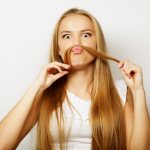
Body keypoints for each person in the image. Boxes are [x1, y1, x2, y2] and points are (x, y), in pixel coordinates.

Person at [0, 8, 149, 150]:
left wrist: (138, 91)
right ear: (58, 48)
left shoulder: (119, 90)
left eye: (86, 35)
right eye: (67, 36)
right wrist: (36, 87)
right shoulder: (44, 92)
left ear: (98, 44)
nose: (76, 43)